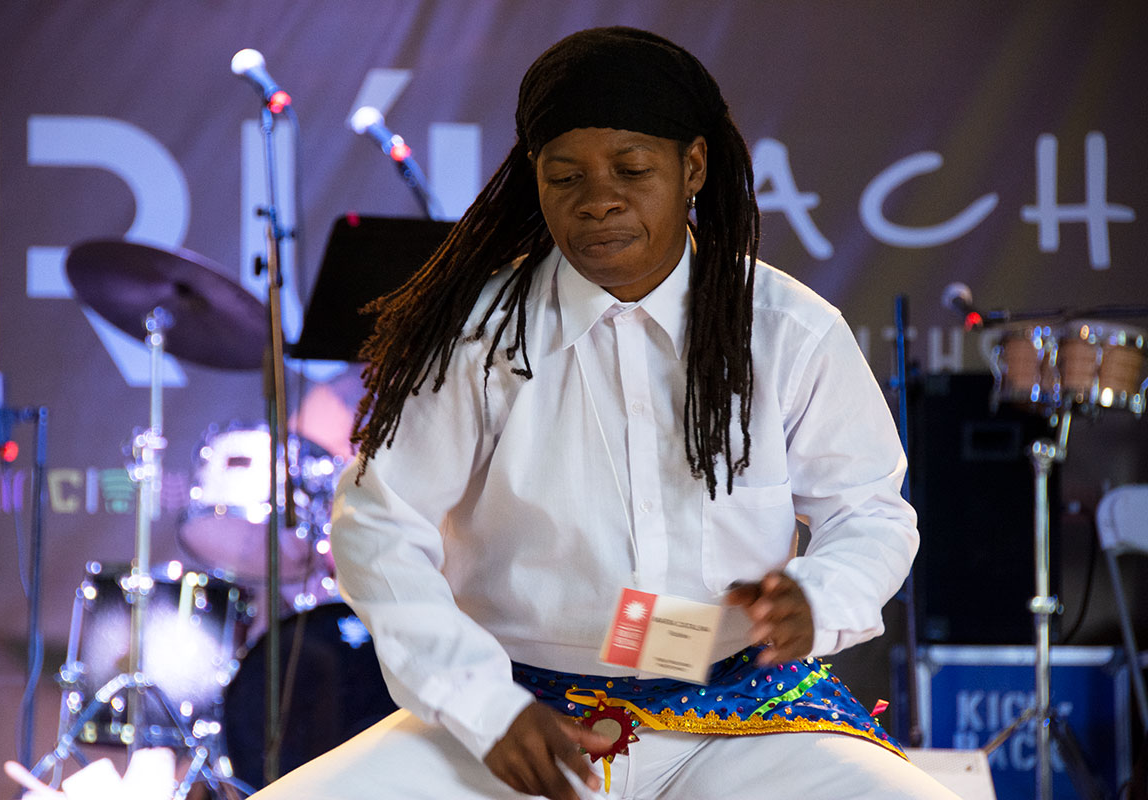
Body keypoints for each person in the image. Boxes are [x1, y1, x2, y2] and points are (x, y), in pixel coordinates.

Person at [252, 26, 958, 799]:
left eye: (631, 169)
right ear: (535, 177)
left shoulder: (787, 328)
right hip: (520, 717)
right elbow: (379, 526)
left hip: (733, 715)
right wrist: (486, 709)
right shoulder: (480, 336)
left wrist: (817, 597)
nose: (599, 201)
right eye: (565, 177)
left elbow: (872, 514)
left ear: (692, 166)